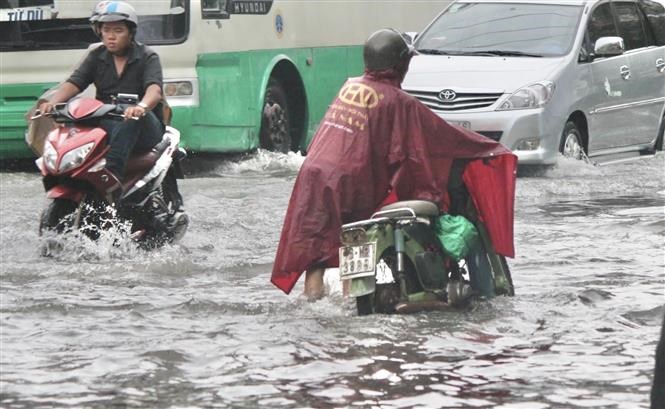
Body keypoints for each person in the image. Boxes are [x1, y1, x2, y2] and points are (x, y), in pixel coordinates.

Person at [271, 28, 517, 300]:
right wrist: (487, 148)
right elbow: (429, 142)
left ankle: (314, 305)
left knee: (316, 252)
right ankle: (351, 302)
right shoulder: (398, 101)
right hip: (350, 179)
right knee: (357, 236)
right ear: (401, 64)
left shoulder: (350, 86)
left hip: (312, 173)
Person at [37, 1, 168, 200]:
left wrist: (141, 107)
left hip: (144, 124)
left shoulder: (148, 57)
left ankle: (112, 177)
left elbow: (154, 90)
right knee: (74, 122)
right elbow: (75, 82)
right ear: (100, 32)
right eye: (106, 30)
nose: (111, 36)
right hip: (109, 119)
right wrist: (53, 103)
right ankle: (67, 171)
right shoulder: (96, 56)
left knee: (129, 120)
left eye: (118, 30)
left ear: (131, 32)